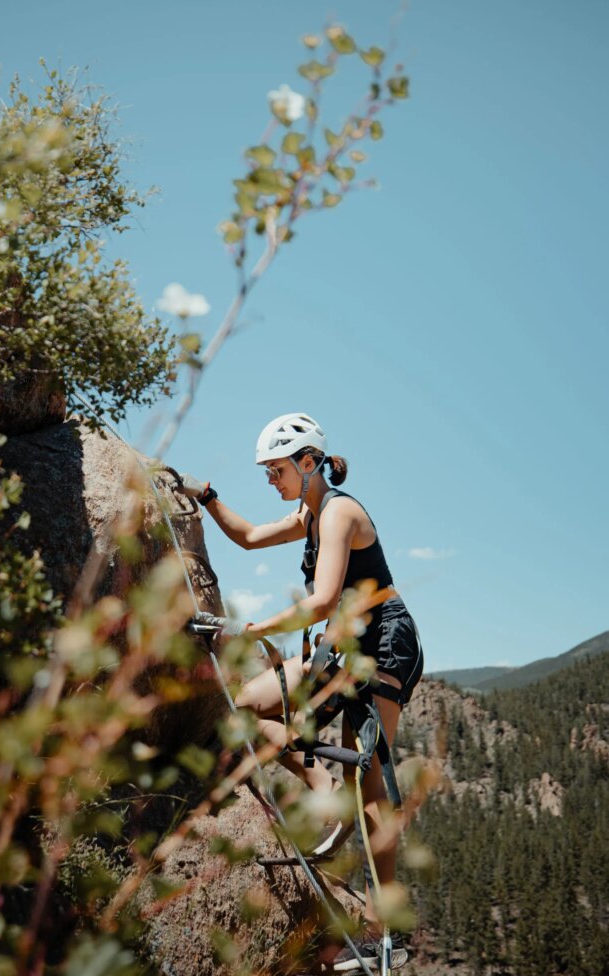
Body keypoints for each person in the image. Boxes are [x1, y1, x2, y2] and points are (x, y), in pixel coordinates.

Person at [182, 412, 423, 972]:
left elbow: (320, 602)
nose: (271, 480)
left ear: (308, 462)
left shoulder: (338, 512)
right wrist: (208, 496)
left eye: (276, 470)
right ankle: (321, 783)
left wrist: (249, 629)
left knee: (368, 785)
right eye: (266, 472)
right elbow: (246, 538)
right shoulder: (309, 516)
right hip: (339, 646)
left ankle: (386, 936)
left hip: (384, 643)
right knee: (241, 707)